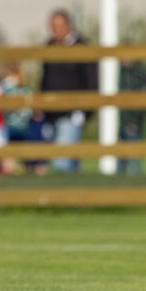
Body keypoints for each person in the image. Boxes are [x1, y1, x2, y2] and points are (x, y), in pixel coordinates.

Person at [39, 9, 98, 173]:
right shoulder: (48, 46)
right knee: (69, 162)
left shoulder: (82, 47)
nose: (55, 30)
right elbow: (45, 78)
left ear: (69, 25)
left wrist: (85, 112)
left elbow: (91, 82)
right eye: (53, 26)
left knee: (62, 163)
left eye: (59, 26)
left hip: (72, 113)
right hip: (51, 113)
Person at [116, 56, 146, 174]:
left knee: (134, 161)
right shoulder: (116, 72)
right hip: (118, 121)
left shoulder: (141, 74)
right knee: (118, 159)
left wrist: (135, 121)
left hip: (134, 122)